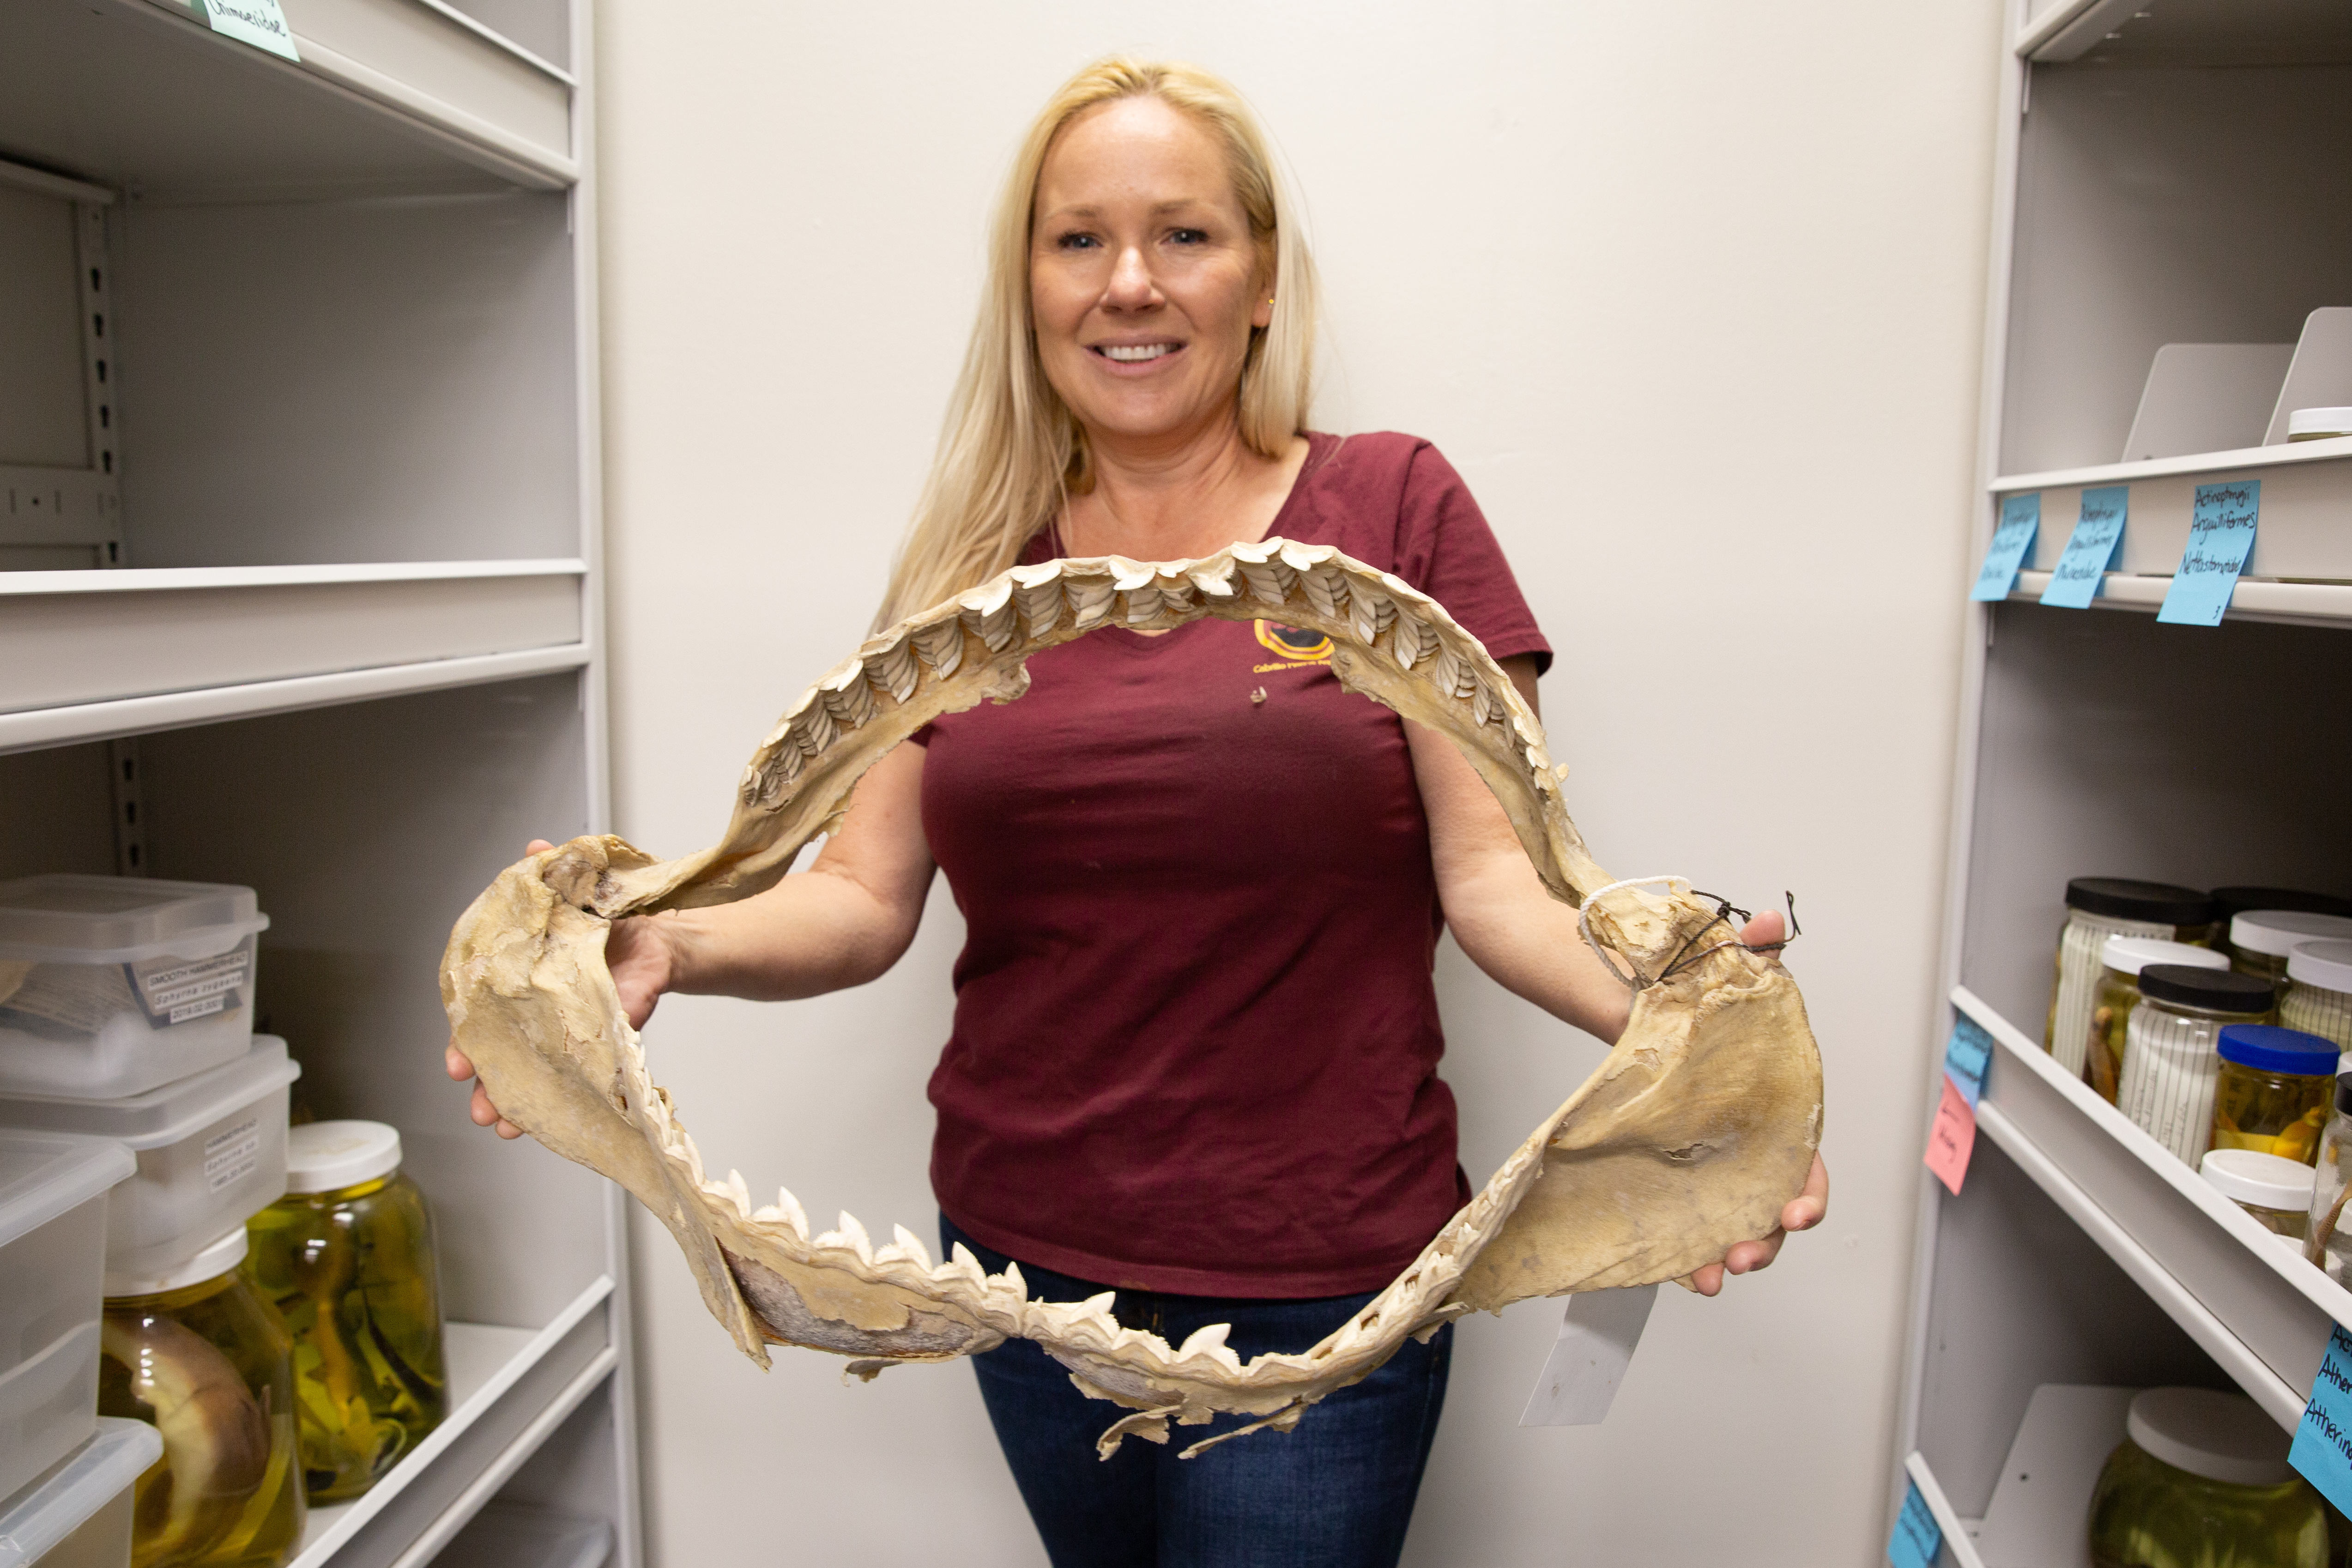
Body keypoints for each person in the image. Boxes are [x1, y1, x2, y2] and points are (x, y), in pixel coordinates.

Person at [449, 56, 1829, 1568]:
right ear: (1029, 287)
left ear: (1260, 279)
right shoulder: (966, 586)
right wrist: (668, 946)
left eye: (1183, 235)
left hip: (1333, 1279)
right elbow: (855, 897)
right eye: (1078, 240)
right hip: (1023, 1275)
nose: (1129, 284)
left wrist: (1690, 1039)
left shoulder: (1392, 511)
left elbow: (1499, 881)